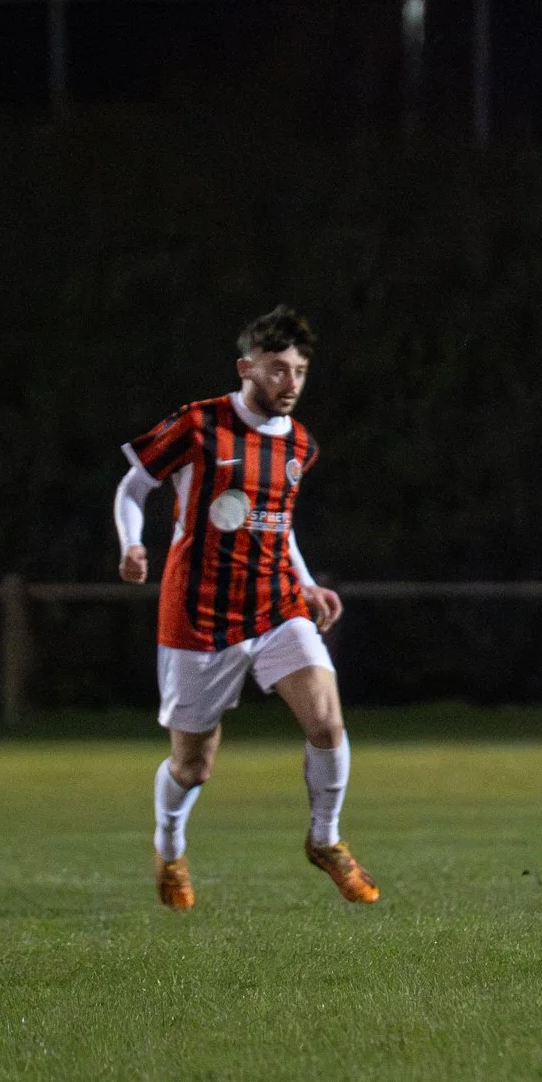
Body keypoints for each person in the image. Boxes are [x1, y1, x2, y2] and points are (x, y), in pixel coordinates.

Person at [113, 305, 378, 909]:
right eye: (279, 370)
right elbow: (134, 485)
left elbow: (277, 526)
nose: (291, 384)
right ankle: (170, 846)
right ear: (247, 367)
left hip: (276, 604)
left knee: (326, 723)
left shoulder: (301, 445)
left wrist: (305, 585)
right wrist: (132, 543)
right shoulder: (199, 423)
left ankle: (325, 839)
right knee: (193, 766)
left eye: (301, 372)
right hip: (199, 613)